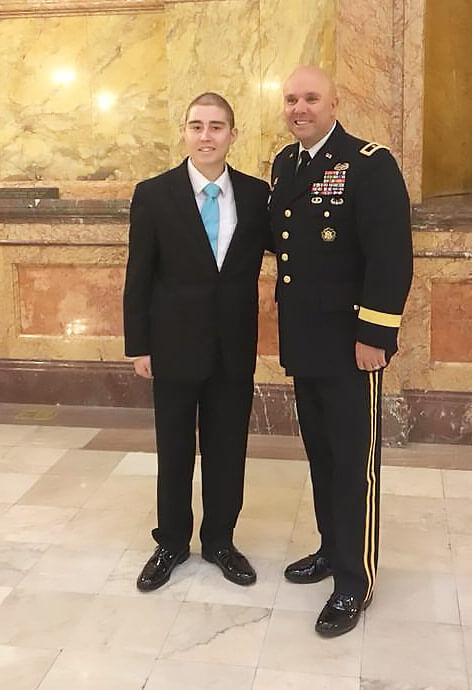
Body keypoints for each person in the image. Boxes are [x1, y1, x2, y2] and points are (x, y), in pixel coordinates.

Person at [269, 66, 413, 636]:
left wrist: (376, 336)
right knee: (321, 456)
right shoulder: (287, 163)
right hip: (305, 343)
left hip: (353, 346)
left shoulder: (370, 164)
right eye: (290, 99)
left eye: (310, 98)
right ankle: (331, 549)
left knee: (355, 465)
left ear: (335, 102)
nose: (298, 107)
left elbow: (391, 257)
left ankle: (355, 582)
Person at [123, 92, 271, 592]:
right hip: (172, 346)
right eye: (197, 126)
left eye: (216, 127)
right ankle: (170, 541)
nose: (206, 136)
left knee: (229, 447)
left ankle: (221, 541)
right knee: (175, 448)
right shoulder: (153, 194)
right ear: (184, 132)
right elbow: (138, 276)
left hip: (233, 347)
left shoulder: (256, 195)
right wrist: (139, 345)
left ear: (233, 134)